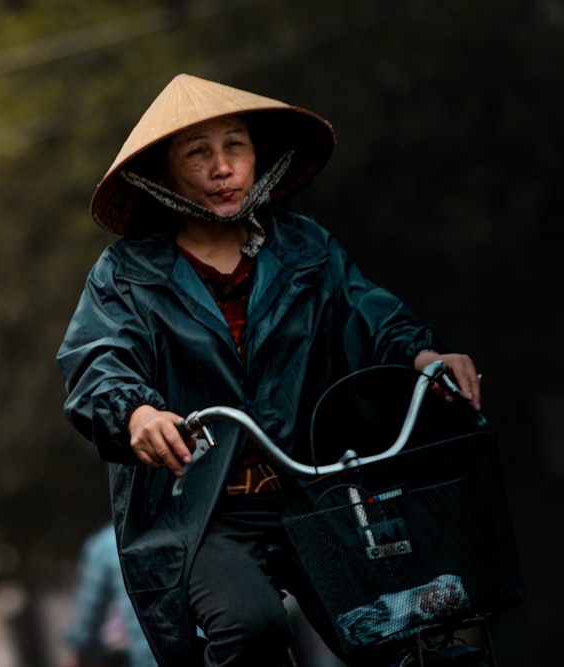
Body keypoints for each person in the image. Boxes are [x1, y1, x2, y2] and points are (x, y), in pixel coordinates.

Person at [55, 73, 481, 667]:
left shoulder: (305, 247)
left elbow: (368, 314)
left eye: (235, 146)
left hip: (317, 491)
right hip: (203, 510)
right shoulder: (126, 273)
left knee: (405, 628)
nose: (222, 167)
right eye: (197, 153)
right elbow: (97, 362)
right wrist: (138, 412)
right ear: (163, 173)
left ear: (258, 157)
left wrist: (424, 355)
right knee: (250, 628)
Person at [62, 523, 156, 667]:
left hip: (150, 657)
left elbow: (87, 628)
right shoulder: (190, 524)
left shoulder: (107, 543)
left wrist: (82, 652)